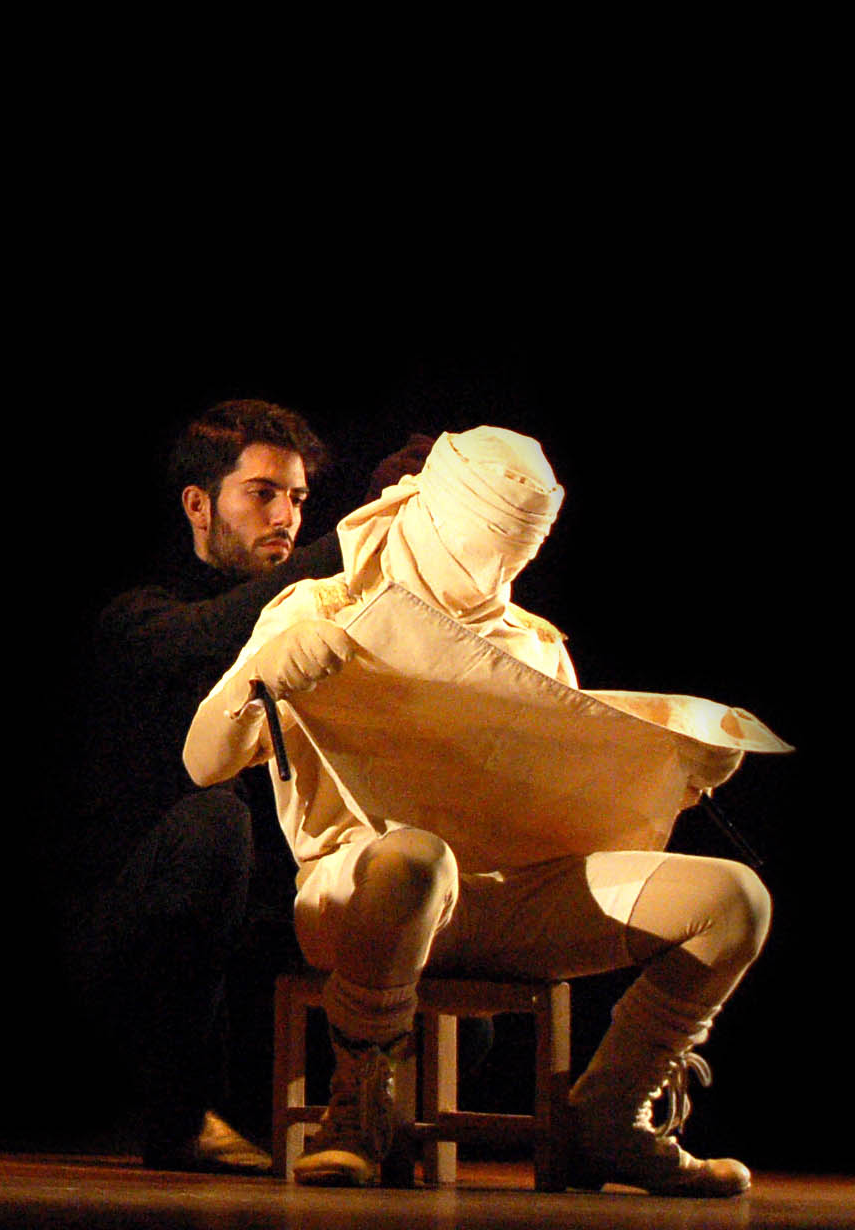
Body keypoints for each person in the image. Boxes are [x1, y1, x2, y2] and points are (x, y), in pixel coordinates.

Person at [183, 426, 770, 1196]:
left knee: (733, 899)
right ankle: (358, 1105)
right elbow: (204, 763)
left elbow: (571, 803)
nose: (498, 568)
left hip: (511, 901)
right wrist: (259, 679)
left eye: (518, 552)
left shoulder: (533, 644)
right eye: (485, 542)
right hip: (363, 893)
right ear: (434, 514)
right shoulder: (324, 607)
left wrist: (677, 773)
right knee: (416, 858)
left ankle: (611, 1114)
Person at [72, 398, 339, 1174]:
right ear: (199, 505)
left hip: (252, 933)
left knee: (401, 901)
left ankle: (365, 1121)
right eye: (263, 494)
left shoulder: (298, 621)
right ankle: (178, 1116)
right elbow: (214, 634)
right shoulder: (141, 616)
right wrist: (348, 545)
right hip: (135, 927)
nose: (285, 517)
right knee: (213, 825)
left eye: (297, 499)